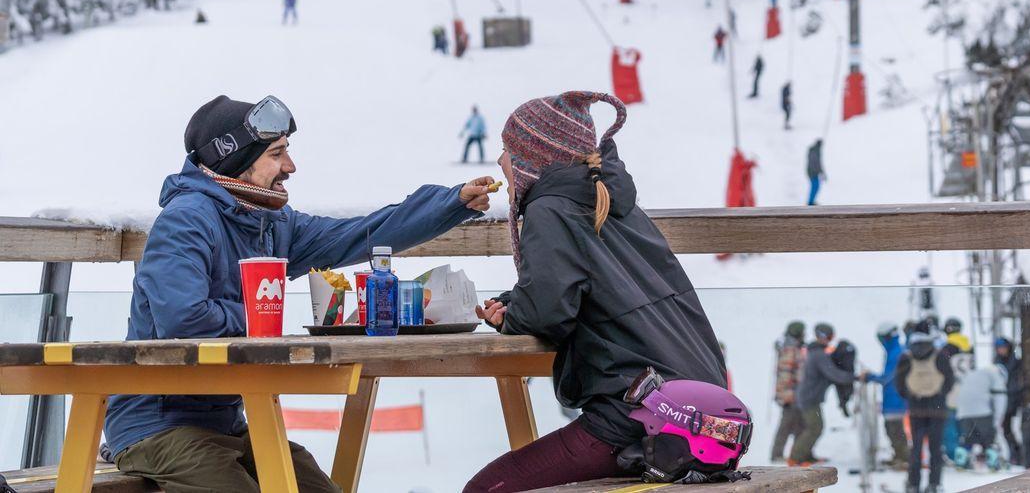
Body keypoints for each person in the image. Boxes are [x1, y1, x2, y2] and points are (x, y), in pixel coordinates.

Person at [104, 95, 493, 491]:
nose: (290, 167)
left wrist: (451, 204)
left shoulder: (269, 224)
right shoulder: (187, 220)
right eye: (277, 154)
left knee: (312, 485)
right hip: (155, 424)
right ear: (235, 158)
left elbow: (359, 234)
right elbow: (182, 320)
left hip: (227, 425)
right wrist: (257, 316)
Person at [469, 91, 739, 491]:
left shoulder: (551, 209)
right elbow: (596, 287)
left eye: (508, 149)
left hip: (645, 415)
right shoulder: (607, 199)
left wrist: (515, 316)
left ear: (533, 156)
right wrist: (516, 303)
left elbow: (547, 314)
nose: (500, 161)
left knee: (488, 489)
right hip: (701, 414)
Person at [896, 326, 955, 493]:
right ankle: (934, 484)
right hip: (937, 410)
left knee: (916, 448)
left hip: (916, 409)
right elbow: (950, 380)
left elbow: (899, 384)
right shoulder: (940, 355)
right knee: (936, 449)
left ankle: (913, 484)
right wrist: (939, 396)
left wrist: (912, 397)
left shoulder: (906, 357)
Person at [790, 323, 855, 466]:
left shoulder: (817, 352)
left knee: (812, 427)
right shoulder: (818, 355)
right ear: (822, 336)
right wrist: (853, 377)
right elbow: (833, 374)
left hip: (810, 397)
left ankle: (806, 455)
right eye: (829, 337)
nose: (830, 340)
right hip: (809, 398)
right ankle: (795, 457)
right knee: (815, 427)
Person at [864, 322, 909, 470]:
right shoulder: (895, 350)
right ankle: (899, 456)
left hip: (896, 398)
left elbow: (888, 377)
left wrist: (869, 377)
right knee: (892, 430)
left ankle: (904, 458)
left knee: (895, 430)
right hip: (893, 397)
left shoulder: (896, 352)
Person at [953, 359, 1007, 471]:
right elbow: (1000, 400)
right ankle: (993, 462)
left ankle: (960, 461)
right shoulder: (996, 375)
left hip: (963, 410)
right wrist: (997, 420)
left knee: (967, 437)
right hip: (982, 410)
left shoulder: (976, 373)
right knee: (989, 437)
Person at [770, 321, 807, 463]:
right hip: (790, 394)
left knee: (798, 424)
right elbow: (787, 372)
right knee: (786, 424)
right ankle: (777, 454)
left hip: (793, 392)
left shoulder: (792, 347)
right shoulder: (790, 348)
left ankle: (796, 454)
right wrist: (792, 392)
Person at [941, 317, 973, 460]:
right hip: (968, 389)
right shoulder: (969, 347)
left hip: (952, 391)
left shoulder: (946, 348)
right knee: (965, 425)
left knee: (950, 425)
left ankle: (954, 455)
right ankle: (966, 451)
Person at [995, 337, 1024, 464]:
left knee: (1016, 429)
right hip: (1003, 400)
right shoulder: (996, 362)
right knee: (1006, 430)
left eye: (1003, 347)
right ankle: (1015, 454)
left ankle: (1019, 454)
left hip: (1015, 399)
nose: (1001, 350)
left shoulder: (1016, 362)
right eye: (999, 348)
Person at [806, 139, 824, 205]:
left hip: (813, 172)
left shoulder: (815, 151)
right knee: (815, 186)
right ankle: (810, 201)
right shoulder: (814, 152)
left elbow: (818, 163)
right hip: (812, 172)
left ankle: (811, 200)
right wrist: (820, 171)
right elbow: (816, 163)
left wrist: (821, 172)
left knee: (816, 186)